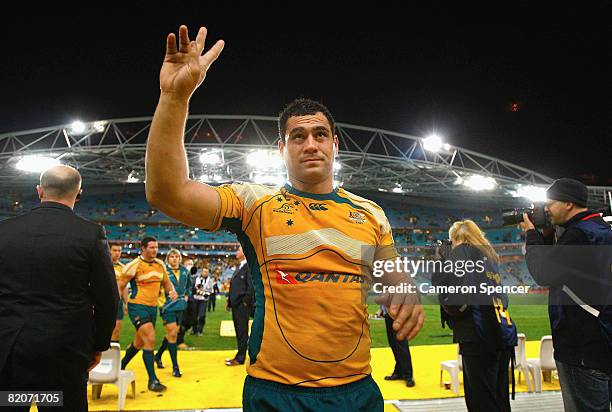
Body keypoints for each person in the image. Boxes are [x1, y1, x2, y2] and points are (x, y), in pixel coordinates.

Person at [145, 25, 423, 411]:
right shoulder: (253, 203)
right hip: (277, 394)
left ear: (335, 144)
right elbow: (167, 192)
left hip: (358, 391)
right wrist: (174, 98)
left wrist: (407, 291)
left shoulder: (371, 213)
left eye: (320, 134)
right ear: (281, 148)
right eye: (298, 136)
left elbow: (395, 278)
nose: (310, 143)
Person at [0, 165, 118, 411]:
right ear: (78, 193)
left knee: (10, 404)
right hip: (64, 350)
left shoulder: (5, 230)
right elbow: (107, 298)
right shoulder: (90, 234)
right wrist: (99, 345)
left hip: (10, 347)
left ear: (39, 191)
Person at [521, 178, 612, 412]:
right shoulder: (601, 229)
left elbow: (543, 273)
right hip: (604, 338)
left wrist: (532, 234)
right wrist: (548, 235)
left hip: (581, 345)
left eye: (550, 203)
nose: (546, 209)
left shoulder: (578, 235)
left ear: (568, 204)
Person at [432, 220, 517, 412]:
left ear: (455, 238)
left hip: (478, 335)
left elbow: (455, 299)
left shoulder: (462, 253)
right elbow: (503, 298)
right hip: (501, 331)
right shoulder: (489, 256)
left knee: (480, 400)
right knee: (499, 397)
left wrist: (441, 264)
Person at [117, 237, 178, 392]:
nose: (154, 250)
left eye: (156, 247)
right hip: (137, 307)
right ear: (143, 248)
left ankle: (121, 365)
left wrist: (171, 291)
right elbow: (121, 284)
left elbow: (166, 282)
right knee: (150, 338)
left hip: (152, 308)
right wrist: (119, 304)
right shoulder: (134, 265)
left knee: (139, 342)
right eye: (151, 247)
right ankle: (152, 380)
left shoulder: (160, 265)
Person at [155, 249, 191, 377]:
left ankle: (158, 356)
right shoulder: (163, 271)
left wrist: (187, 295)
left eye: (177, 256)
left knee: (171, 334)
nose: (175, 259)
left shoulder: (185, 271)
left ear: (180, 258)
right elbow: (157, 289)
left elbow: (189, 286)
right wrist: (161, 304)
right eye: (172, 256)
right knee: (173, 334)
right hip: (167, 307)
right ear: (168, 259)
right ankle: (175, 367)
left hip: (180, 306)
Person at [225, 246, 254, 366]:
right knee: (238, 330)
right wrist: (229, 302)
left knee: (242, 331)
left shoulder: (248, 267)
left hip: (242, 305)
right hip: (236, 304)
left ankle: (240, 358)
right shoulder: (240, 266)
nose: (236, 251)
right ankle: (239, 355)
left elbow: (250, 287)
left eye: (238, 249)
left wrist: (245, 302)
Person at [378, 304, 415, 387]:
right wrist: (381, 308)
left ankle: (408, 375)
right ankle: (399, 371)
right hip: (389, 314)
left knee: (401, 345)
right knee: (393, 344)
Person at [110, 243, 129, 343]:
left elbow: (124, 287)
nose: (117, 253)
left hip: (118, 303)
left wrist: (126, 303)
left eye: (119, 251)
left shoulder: (123, 268)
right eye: (114, 250)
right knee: (101, 329)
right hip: (103, 302)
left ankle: (113, 357)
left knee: (116, 330)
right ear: (109, 251)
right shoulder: (102, 265)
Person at [193, 267, 213, 335]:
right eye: (204, 271)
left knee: (202, 315)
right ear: (201, 272)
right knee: (194, 315)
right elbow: (194, 288)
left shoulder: (210, 280)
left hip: (204, 300)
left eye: (207, 272)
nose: (205, 273)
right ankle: (194, 330)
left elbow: (210, 291)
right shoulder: (196, 278)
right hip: (195, 299)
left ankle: (200, 330)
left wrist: (204, 293)